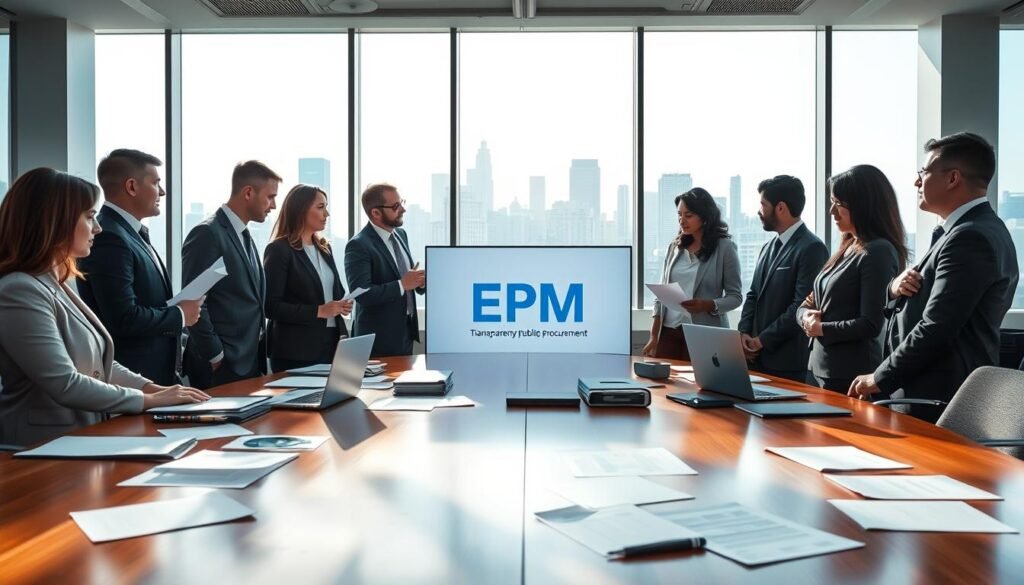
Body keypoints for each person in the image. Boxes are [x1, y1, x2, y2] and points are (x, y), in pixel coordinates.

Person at [0, 168, 208, 446]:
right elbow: (64, 382)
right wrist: (147, 400)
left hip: (76, 440)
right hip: (39, 449)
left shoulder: (55, 283)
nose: (97, 227)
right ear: (55, 221)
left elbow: (100, 364)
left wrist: (152, 388)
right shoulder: (19, 290)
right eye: (88, 217)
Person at [849, 133, 1019, 422]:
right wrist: (892, 289)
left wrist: (878, 378)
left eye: (923, 173)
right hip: (927, 391)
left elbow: (936, 327)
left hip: (937, 400)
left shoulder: (970, 237)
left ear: (953, 178)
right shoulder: (964, 231)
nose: (917, 182)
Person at [77, 149, 202, 385]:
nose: (163, 192)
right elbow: (123, 317)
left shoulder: (127, 232)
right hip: (132, 377)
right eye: (156, 183)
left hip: (150, 375)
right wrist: (179, 315)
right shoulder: (110, 237)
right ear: (132, 187)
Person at [796, 165, 906, 393]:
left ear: (863, 205)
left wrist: (821, 328)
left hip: (850, 376)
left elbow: (871, 323)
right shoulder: (847, 247)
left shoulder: (877, 251)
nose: (831, 211)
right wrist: (805, 317)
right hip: (820, 369)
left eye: (838, 203)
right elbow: (807, 304)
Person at [182, 161, 280, 388]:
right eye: (270, 197)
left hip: (249, 363)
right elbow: (194, 301)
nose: (273, 205)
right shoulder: (208, 234)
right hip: (221, 367)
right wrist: (216, 356)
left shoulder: (244, 235)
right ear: (248, 192)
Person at [737, 175, 827, 383]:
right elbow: (752, 295)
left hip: (788, 363)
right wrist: (743, 333)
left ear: (780, 208)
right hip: (756, 359)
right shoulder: (767, 247)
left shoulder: (811, 248)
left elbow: (800, 305)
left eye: (763, 205)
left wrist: (762, 341)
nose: (759, 212)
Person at [642, 187, 742, 360]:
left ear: (704, 217)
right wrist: (654, 336)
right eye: (679, 215)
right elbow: (661, 296)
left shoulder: (724, 248)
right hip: (669, 333)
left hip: (703, 334)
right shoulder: (675, 247)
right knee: (667, 385)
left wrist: (708, 305)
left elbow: (735, 297)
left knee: (700, 385)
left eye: (688, 215)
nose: (682, 220)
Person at [264, 184, 352, 372]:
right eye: (320, 207)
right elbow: (271, 307)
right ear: (301, 210)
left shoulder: (324, 248)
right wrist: (319, 311)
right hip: (295, 351)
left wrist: (341, 304)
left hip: (331, 344)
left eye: (326, 207)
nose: (326, 214)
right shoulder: (279, 250)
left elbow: (334, 292)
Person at [344, 183, 425, 357]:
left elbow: (404, 277)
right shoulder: (358, 245)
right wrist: (402, 284)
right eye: (396, 206)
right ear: (375, 213)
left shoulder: (401, 235)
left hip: (405, 335)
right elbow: (362, 294)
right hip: (377, 340)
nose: (403, 209)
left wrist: (419, 281)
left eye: (401, 202)